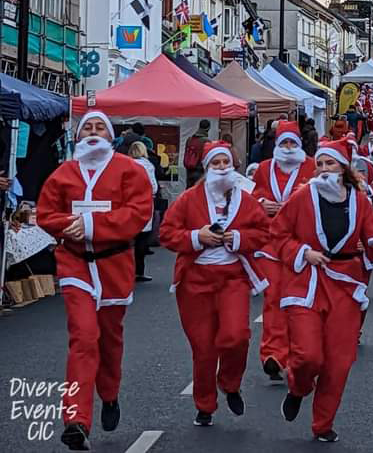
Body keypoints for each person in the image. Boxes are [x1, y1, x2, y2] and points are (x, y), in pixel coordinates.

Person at [37, 111, 153, 450]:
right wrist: (68, 225)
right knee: (84, 338)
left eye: (99, 126)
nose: (92, 131)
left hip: (114, 266)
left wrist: (91, 225)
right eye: (86, 126)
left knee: (110, 342)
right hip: (75, 265)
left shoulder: (129, 171)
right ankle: (76, 419)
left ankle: (110, 393)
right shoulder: (63, 174)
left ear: (111, 135)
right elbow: (46, 214)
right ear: (77, 135)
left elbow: (137, 214)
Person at [271, 138, 373, 442]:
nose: (324, 169)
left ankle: (322, 424)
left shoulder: (359, 200)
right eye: (320, 164)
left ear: (343, 168)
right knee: (308, 356)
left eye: (331, 163)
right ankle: (299, 386)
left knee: (338, 362)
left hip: (345, 284)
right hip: (307, 282)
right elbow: (277, 234)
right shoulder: (303, 197)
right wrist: (302, 252)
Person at [159, 141, 270, 427]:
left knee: (236, 336)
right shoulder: (187, 199)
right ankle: (205, 404)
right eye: (215, 164)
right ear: (206, 168)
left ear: (233, 166)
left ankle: (230, 383)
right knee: (203, 347)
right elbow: (168, 233)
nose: (221, 168)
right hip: (195, 281)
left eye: (225, 163)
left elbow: (262, 231)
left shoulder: (246, 201)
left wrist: (239, 239)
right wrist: (197, 237)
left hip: (232, 277)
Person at [252, 121, 316, 383]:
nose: (288, 148)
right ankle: (273, 355)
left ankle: (294, 354)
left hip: (300, 246)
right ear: (276, 145)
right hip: (270, 244)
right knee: (273, 299)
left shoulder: (311, 166)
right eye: (284, 143)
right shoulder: (265, 169)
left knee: (297, 302)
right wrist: (261, 204)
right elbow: (252, 197)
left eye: (292, 143)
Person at [128, 141, 158, 282]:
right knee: (142, 238)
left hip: (128, 204)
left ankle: (126, 270)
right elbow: (153, 186)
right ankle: (139, 271)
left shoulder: (125, 164)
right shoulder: (147, 165)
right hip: (144, 204)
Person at [184, 120, 211, 188]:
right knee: (198, 192)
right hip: (200, 170)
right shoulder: (206, 141)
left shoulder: (189, 139)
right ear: (208, 128)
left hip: (189, 170)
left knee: (189, 191)